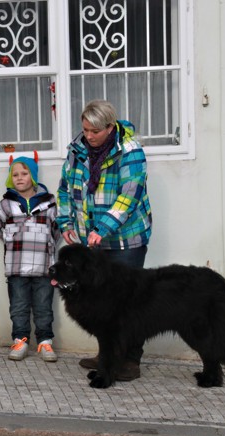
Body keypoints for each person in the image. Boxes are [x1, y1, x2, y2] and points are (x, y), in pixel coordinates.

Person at [56, 99, 152, 381]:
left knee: (129, 305)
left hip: (125, 242)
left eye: (95, 131)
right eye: (85, 129)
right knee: (100, 303)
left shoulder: (130, 151)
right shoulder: (76, 150)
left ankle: (130, 361)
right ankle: (107, 355)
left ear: (110, 127)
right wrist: (65, 223)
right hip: (93, 244)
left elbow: (129, 196)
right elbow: (64, 189)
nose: (89, 136)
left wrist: (103, 227)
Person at [0, 153, 60, 362]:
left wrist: (47, 244)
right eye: (15, 175)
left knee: (43, 307)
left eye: (24, 173)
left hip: (44, 267)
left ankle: (45, 342)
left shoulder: (49, 203)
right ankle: (20, 341)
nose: (19, 178)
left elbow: (57, 229)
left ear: (34, 176)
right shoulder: (6, 205)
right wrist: (12, 241)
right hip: (16, 267)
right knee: (18, 307)